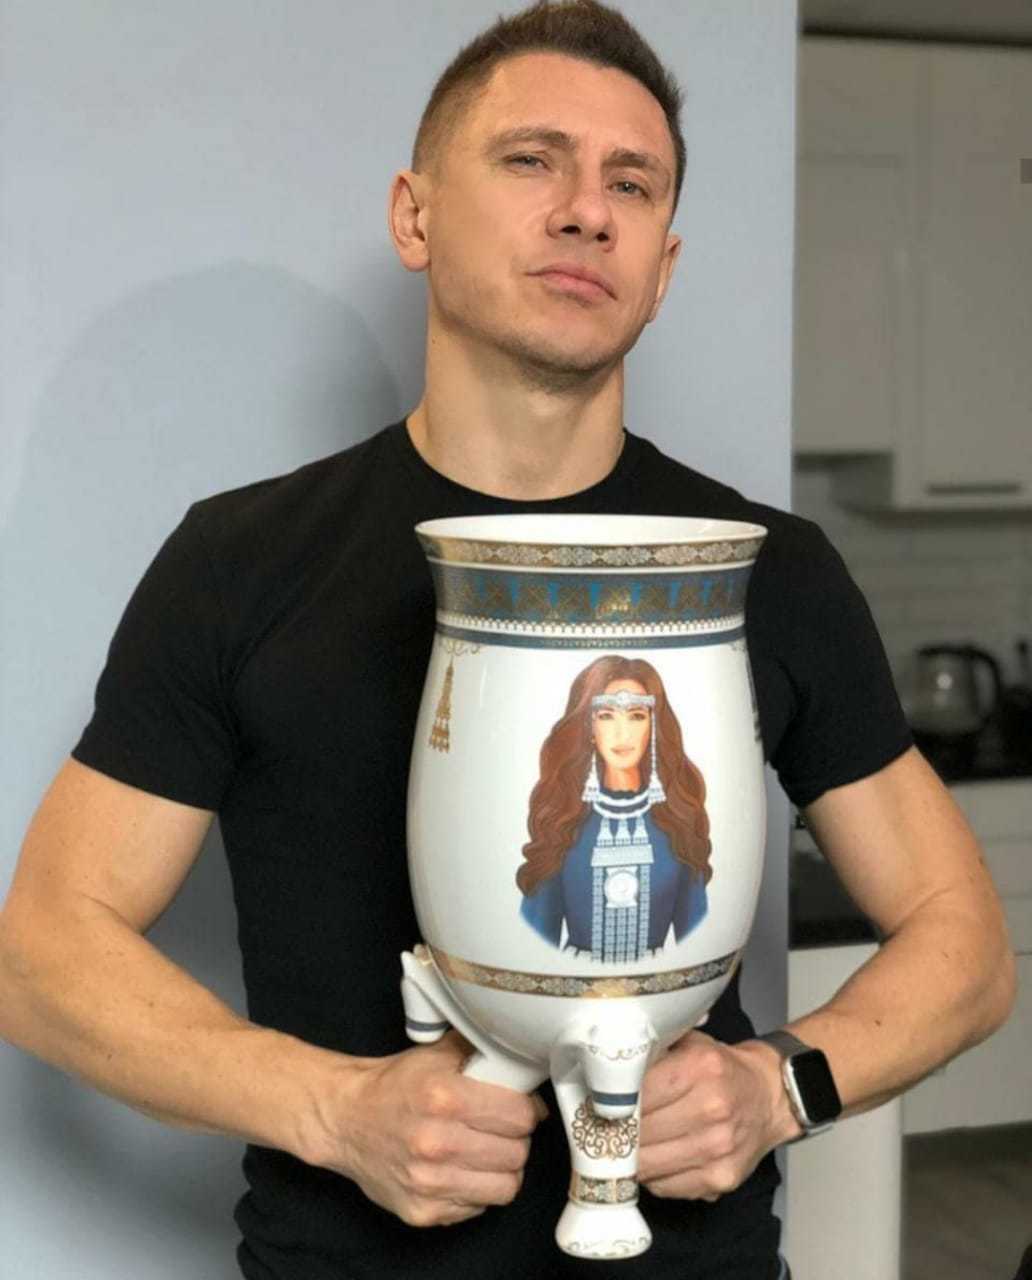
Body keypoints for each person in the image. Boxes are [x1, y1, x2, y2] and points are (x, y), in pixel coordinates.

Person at [0, 2, 1015, 1278]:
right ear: (414, 216)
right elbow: (44, 950)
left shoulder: (767, 570)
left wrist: (780, 1086)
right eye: (533, 159)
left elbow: (968, 944)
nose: (587, 210)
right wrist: (333, 1109)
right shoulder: (241, 560)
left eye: (630, 183)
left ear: (663, 264)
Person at [518, 655, 712, 961]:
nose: (622, 734)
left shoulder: (680, 820)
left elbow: (702, 944)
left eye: (636, 716)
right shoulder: (561, 821)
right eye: (607, 716)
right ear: (589, 726)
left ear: (654, 726)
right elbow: (530, 947)